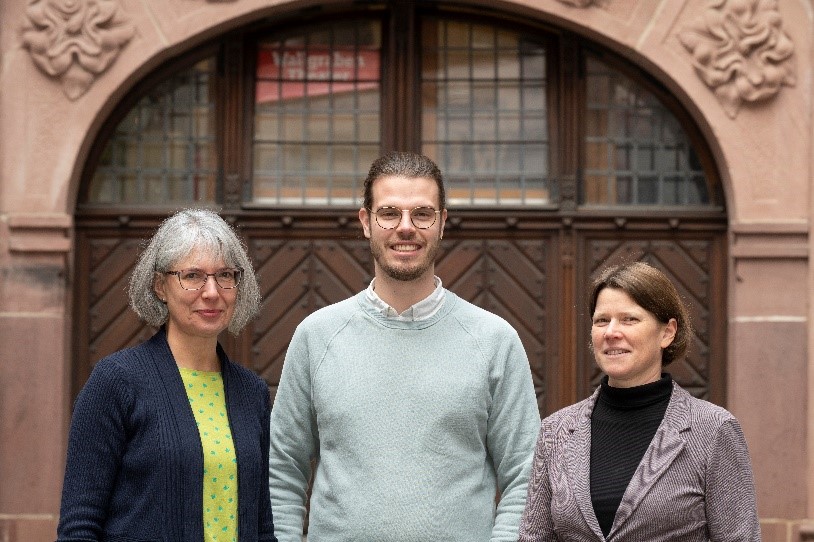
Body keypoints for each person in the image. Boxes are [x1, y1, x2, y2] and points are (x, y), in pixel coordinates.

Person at [268, 151, 541, 541]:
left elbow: (525, 475)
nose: (406, 227)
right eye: (389, 213)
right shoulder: (317, 336)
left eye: (422, 214)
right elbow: (282, 470)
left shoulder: (494, 341)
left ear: (442, 222)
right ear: (366, 222)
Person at [56, 208, 277, 542]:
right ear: (160, 286)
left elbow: (262, 528)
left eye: (225, 275)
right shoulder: (117, 381)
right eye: (192, 276)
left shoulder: (252, 393)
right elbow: (79, 526)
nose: (212, 292)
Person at [518, 261, 761, 541]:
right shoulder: (555, 431)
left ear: (667, 332)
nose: (611, 332)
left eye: (629, 319)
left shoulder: (713, 430)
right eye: (601, 320)